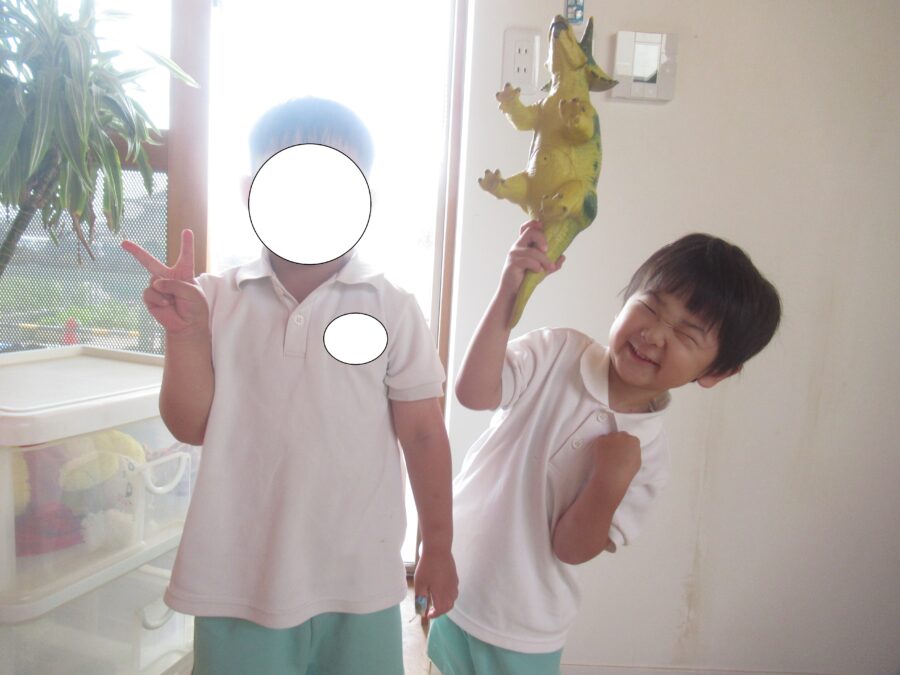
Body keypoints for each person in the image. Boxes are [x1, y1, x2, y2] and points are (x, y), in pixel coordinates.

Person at [123, 97, 458, 675]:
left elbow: (425, 435)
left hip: (359, 577)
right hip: (236, 578)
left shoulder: (393, 306)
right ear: (250, 191)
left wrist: (440, 547)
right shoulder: (215, 299)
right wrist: (186, 333)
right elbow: (190, 425)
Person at [427, 221, 781, 675]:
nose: (655, 334)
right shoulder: (557, 351)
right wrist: (507, 296)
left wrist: (610, 481)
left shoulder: (649, 459)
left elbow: (571, 549)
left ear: (716, 372)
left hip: (526, 628)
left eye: (687, 334)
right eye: (650, 307)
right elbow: (473, 394)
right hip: (455, 581)